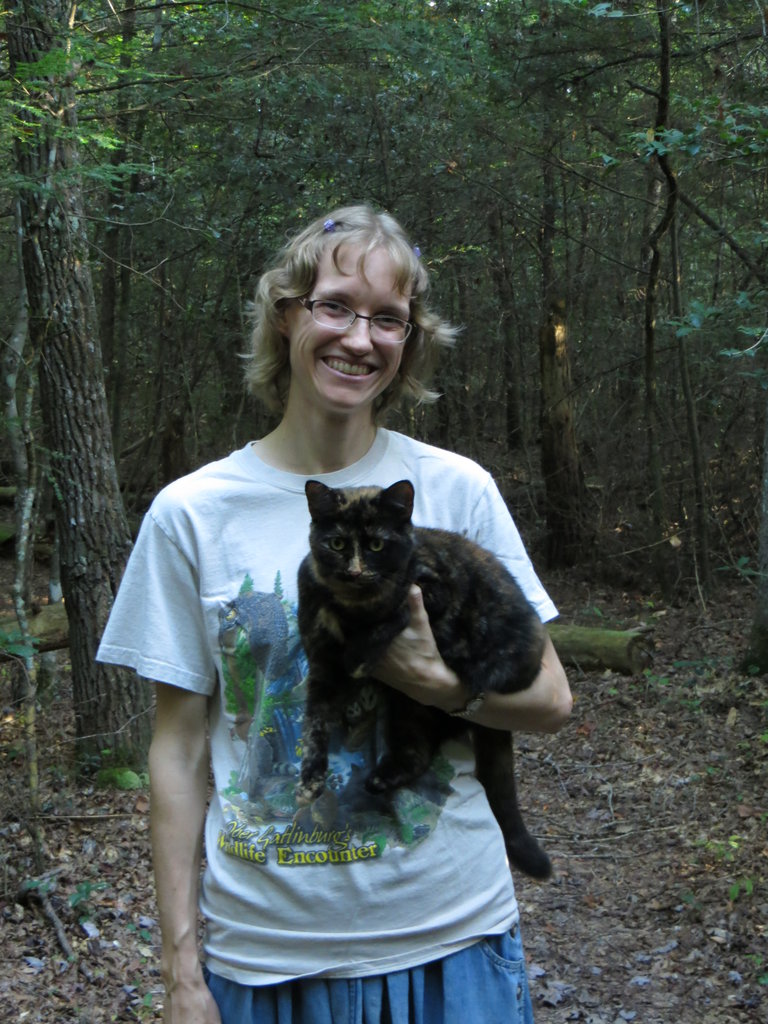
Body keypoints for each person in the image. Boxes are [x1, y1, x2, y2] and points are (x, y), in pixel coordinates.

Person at [97, 204, 572, 1024]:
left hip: (452, 942)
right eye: (336, 306)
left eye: (388, 318)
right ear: (286, 314)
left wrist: (438, 686)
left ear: (409, 341)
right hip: (263, 959)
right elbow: (177, 751)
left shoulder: (458, 488)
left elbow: (552, 701)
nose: (360, 338)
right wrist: (180, 972)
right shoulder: (192, 512)